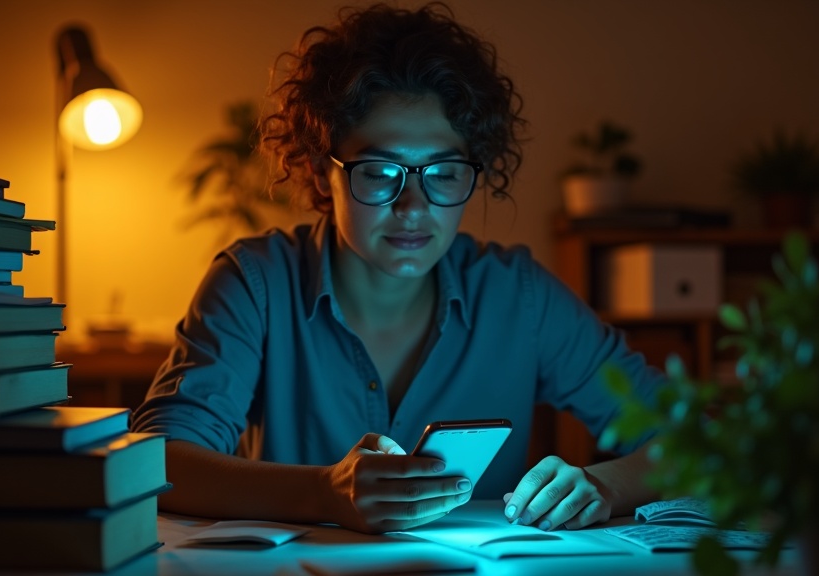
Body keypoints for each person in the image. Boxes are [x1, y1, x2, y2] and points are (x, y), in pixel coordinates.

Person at [131, 2, 664, 535]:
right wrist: (322, 493)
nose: (413, 206)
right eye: (380, 171)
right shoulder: (256, 283)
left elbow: (697, 440)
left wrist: (606, 485)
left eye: (445, 172)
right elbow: (160, 460)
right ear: (323, 174)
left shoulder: (517, 295)